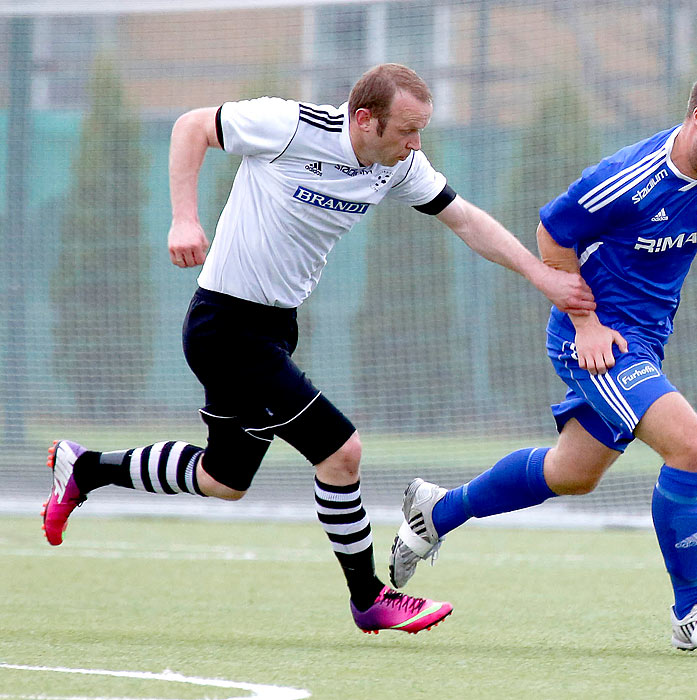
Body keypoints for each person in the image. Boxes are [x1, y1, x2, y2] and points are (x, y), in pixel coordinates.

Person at [42, 63, 594, 635]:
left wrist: (541, 275)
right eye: (407, 129)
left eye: (421, 131)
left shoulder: (398, 166)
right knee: (341, 451)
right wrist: (184, 217)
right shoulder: (289, 125)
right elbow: (190, 126)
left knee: (222, 479)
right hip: (226, 326)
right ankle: (369, 597)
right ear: (364, 119)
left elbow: (465, 220)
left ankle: (84, 468)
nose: (415, 144)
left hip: (274, 328)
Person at [390, 64, 697, 653]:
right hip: (595, 343)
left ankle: (438, 511)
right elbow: (551, 233)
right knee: (690, 443)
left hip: (644, 343)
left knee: (572, 475)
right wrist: (587, 324)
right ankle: (692, 612)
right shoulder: (627, 178)